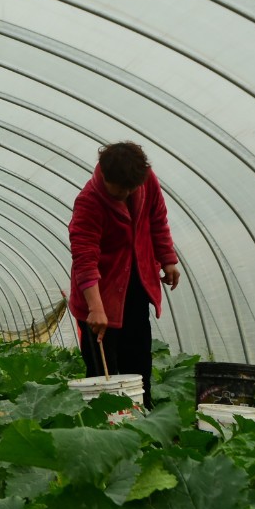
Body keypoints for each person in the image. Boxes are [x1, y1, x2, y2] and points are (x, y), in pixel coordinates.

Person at [68, 141, 182, 408]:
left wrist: (168, 260)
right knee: (101, 373)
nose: (128, 192)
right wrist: (95, 308)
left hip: (137, 283)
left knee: (139, 359)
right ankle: (102, 425)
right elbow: (85, 259)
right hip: (100, 290)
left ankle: (144, 416)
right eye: (121, 188)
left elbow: (157, 219)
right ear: (104, 175)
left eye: (132, 187)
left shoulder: (145, 180)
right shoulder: (88, 203)